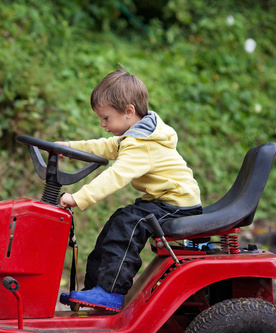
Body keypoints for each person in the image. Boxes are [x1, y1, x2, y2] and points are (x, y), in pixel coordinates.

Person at [57, 69, 202, 312]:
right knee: (118, 222)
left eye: (106, 118)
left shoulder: (141, 145)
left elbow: (116, 175)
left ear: (129, 112)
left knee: (129, 225)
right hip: (161, 200)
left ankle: (110, 292)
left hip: (177, 204)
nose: (103, 126)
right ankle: (94, 292)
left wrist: (78, 197)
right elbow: (104, 146)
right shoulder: (135, 135)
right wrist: (70, 148)